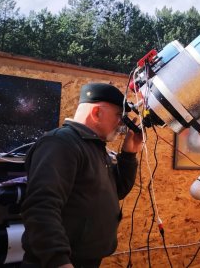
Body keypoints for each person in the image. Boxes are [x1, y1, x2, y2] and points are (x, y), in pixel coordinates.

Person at [21, 83, 143, 268]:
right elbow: (41, 207)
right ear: (96, 113)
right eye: (119, 116)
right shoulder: (61, 144)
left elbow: (117, 191)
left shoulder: (94, 146)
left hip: (86, 260)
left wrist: (129, 154)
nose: (122, 124)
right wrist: (59, 261)